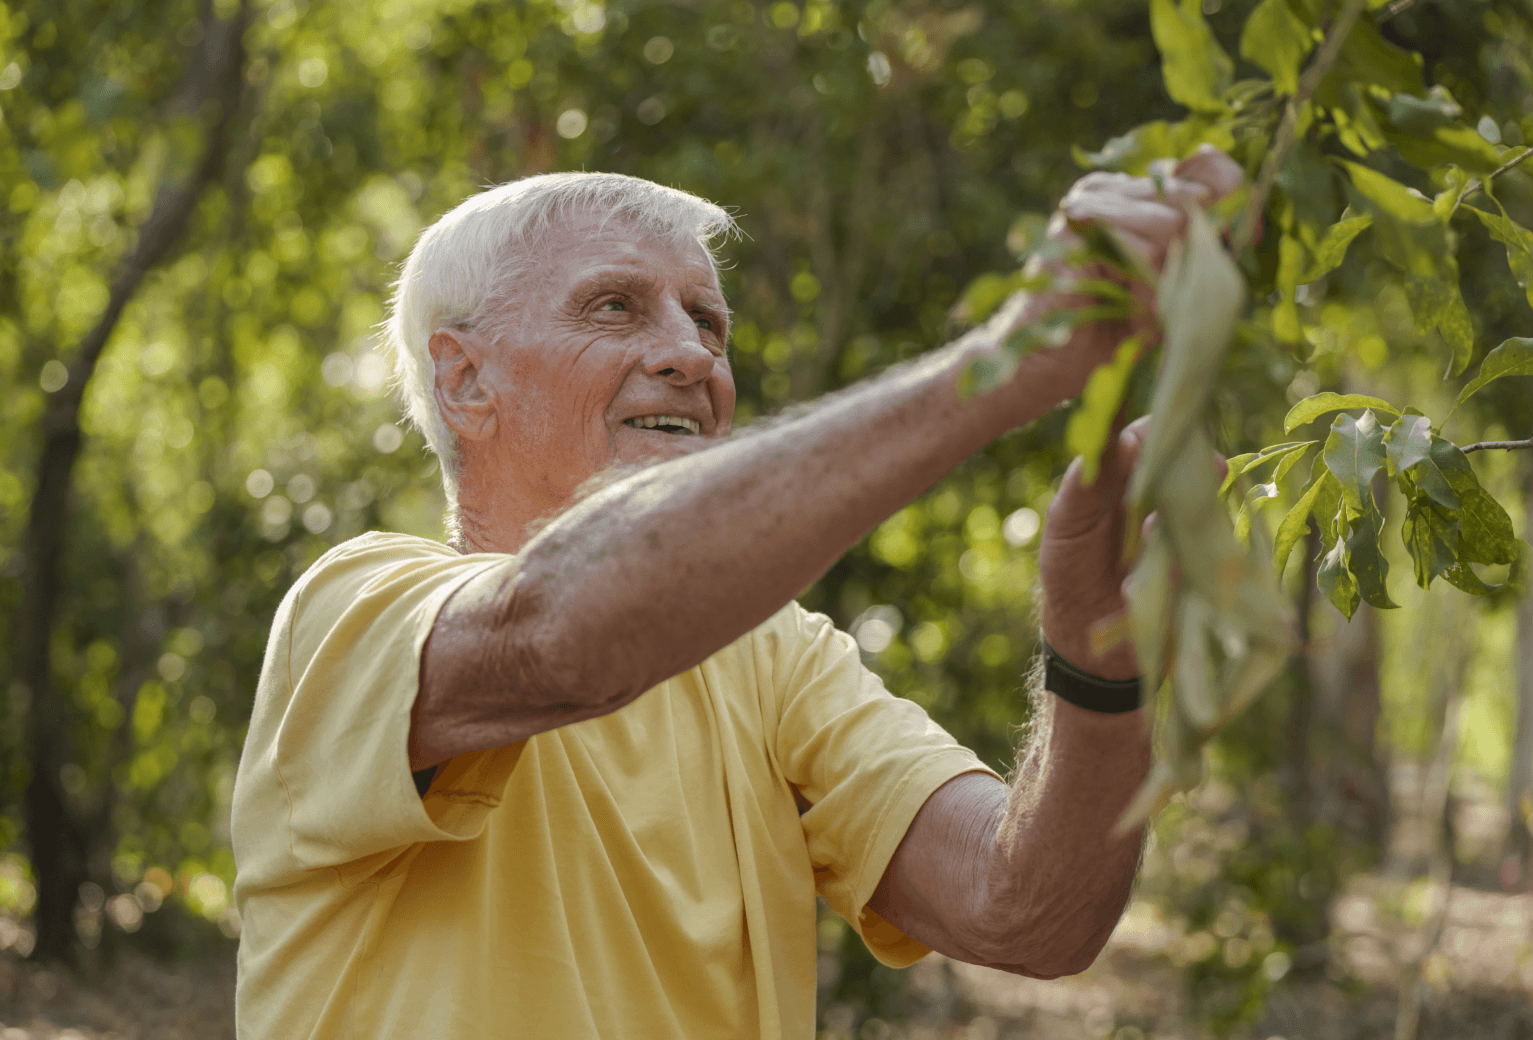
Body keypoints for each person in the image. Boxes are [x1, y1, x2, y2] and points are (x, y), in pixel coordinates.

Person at [231, 149, 1243, 1039]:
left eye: (708, 321)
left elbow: (1026, 909)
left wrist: (1097, 667)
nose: (691, 355)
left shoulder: (773, 657)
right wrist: (1012, 359)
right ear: (464, 380)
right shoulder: (353, 610)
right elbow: (561, 636)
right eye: (615, 306)